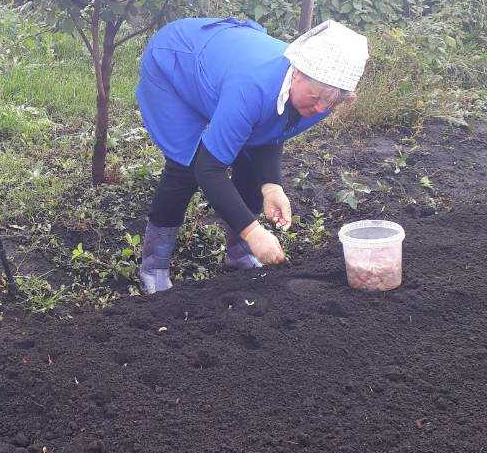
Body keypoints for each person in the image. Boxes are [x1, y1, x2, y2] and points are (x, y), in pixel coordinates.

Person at [135, 16, 368, 293]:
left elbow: (271, 129)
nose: (320, 108)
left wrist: (271, 185)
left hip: (224, 71)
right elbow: (209, 169)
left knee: (247, 158)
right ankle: (154, 266)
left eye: (330, 102)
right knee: (186, 164)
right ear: (297, 72)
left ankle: (238, 254)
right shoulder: (252, 87)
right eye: (316, 97)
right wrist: (253, 231)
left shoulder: (322, 95)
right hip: (176, 64)